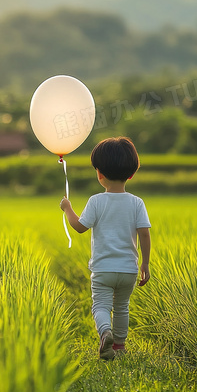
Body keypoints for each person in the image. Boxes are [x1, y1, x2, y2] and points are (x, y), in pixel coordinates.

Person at [59, 136, 151, 360]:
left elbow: (80, 227)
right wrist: (145, 263)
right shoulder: (137, 202)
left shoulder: (97, 201)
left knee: (100, 306)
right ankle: (119, 346)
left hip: (103, 269)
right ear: (131, 173)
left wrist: (67, 209)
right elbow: (144, 233)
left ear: (99, 173)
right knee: (122, 307)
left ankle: (105, 332)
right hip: (128, 269)